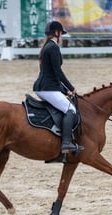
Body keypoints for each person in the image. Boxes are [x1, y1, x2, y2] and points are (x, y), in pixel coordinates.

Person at [33, 20, 84, 154]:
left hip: (46, 86)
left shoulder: (47, 47)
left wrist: (64, 90)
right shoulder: (53, 47)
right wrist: (71, 87)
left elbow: (51, 74)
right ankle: (66, 143)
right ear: (56, 33)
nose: (62, 36)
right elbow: (58, 72)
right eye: (61, 33)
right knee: (70, 109)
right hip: (46, 88)